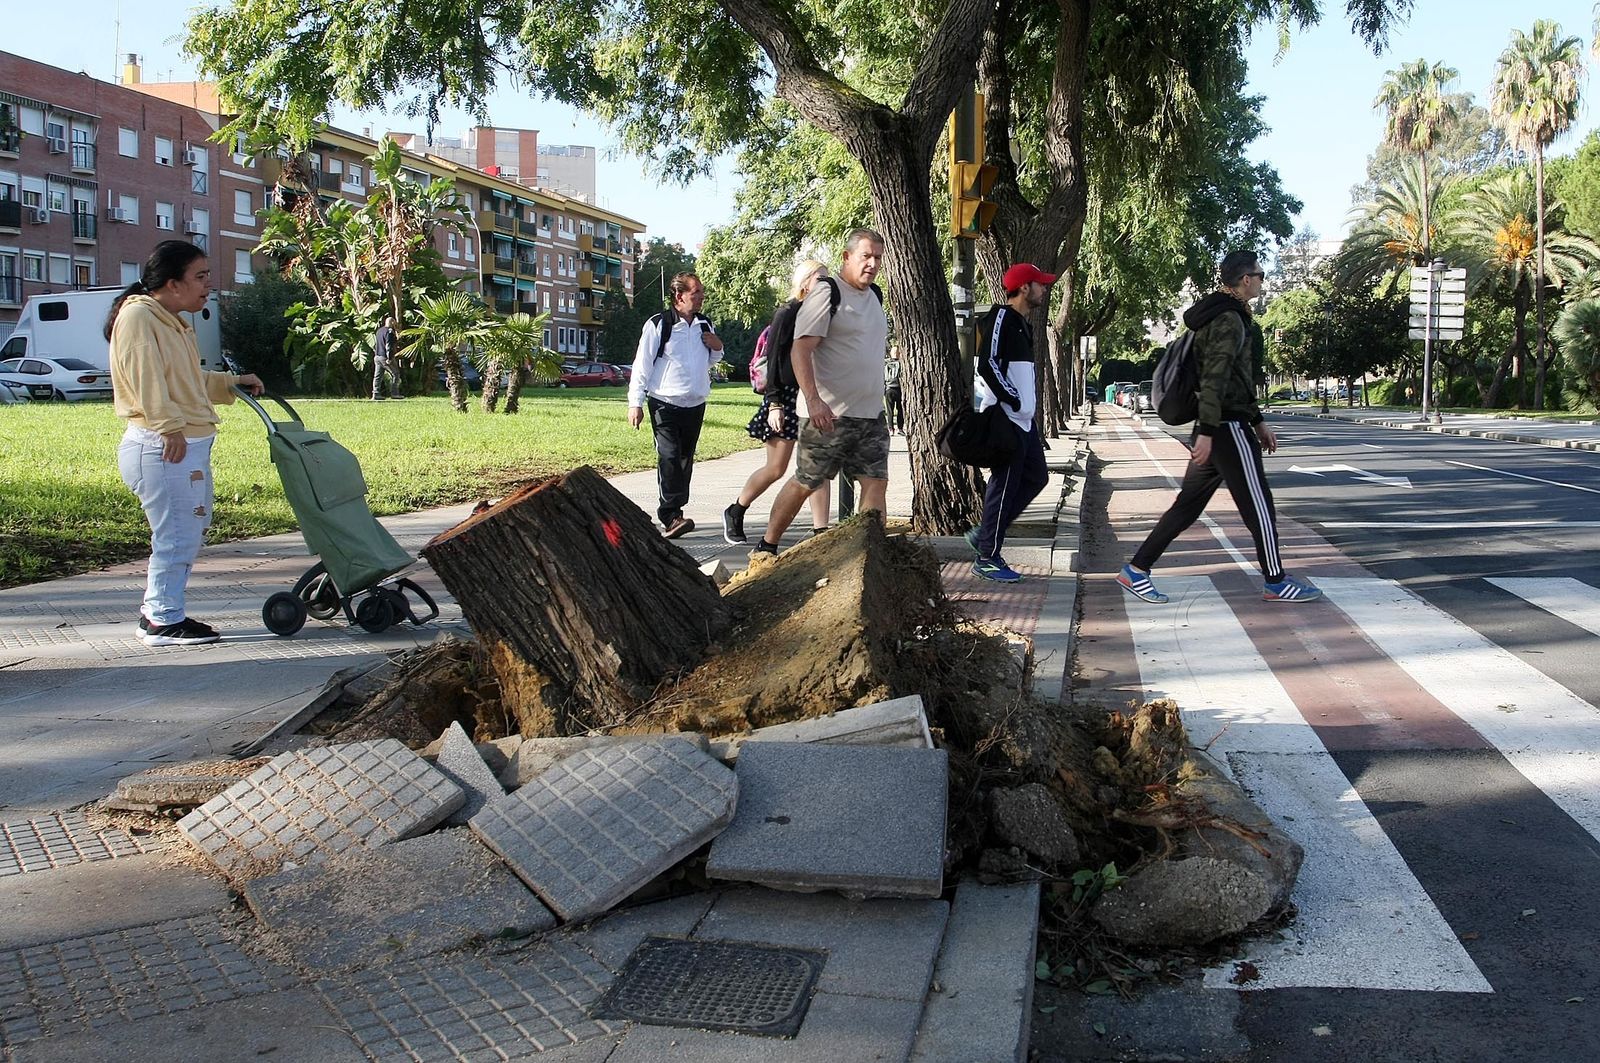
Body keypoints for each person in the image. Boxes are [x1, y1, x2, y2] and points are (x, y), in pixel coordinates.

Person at [1117, 250, 1321, 605]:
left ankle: (1136, 571)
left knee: (1187, 506)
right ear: (1245, 279)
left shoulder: (1223, 315)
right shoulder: (1228, 319)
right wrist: (1211, 431)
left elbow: (1236, 379)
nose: (1261, 281)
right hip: (1226, 428)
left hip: (1221, 426)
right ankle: (1276, 580)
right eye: (1260, 275)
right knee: (1259, 504)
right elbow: (1215, 379)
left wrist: (1257, 421)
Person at [108, 240, 264, 646]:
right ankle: (161, 620)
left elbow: (186, 380)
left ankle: (160, 613)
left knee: (186, 532)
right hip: (164, 446)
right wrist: (168, 427)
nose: (208, 284)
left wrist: (232, 382)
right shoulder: (140, 318)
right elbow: (146, 380)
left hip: (181, 444)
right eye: (200, 276)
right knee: (177, 535)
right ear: (173, 283)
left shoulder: (169, 319)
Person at [751, 228, 889, 556]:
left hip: (870, 413)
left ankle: (871, 556)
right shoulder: (827, 292)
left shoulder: (875, 296)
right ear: (846, 257)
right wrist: (813, 400)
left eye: (877, 258)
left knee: (875, 482)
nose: (872, 264)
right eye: (865, 256)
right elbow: (801, 350)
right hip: (828, 415)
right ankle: (766, 545)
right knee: (806, 482)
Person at [722, 260, 832, 545]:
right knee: (776, 468)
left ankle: (821, 530)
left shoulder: (825, 315)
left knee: (816, 466)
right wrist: (773, 403)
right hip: (783, 395)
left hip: (814, 396)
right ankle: (736, 509)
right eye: (820, 279)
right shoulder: (787, 313)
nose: (825, 284)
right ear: (805, 282)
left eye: (828, 279)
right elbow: (771, 362)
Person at [967, 263, 1054, 583]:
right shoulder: (1001, 318)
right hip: (1006, 418)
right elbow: (987, 364)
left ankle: (986, 534)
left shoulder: (1024, 324)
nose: (1044, 290)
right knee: (1003, 487)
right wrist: (1013, 400)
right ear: (1023, 287)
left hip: (1024, 422)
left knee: (1037, 477)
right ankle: (987, 557)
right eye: (1039, 284)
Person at [627, 272, 723, 538]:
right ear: (679, 296)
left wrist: (717, 347)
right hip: (664, 403)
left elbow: (711, 358)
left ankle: (677, 511)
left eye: (702, 292)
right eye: (696, 293)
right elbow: (642, 366)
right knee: (668, 457)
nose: (702, 297)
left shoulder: (705, 324)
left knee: (684, 460)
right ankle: (670, 516)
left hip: (695, 403)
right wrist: (635, 403)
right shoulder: (659, 324)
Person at [372, 314, 400, 399]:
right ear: (392, 322)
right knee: (395, 374)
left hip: (377, 356)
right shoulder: (390, 331)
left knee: (377, 376)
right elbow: (389, 345)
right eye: (394, 322)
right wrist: (389, 358)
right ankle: (394, 393)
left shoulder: (379, 331)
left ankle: (375, 394)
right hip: (385, 357)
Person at [883, 345, 904, 434]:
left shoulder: (886, 364)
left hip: (888, 389)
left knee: (890, 410)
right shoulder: (902, 363)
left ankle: (891, 429)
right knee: (900, 409)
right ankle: (900, 428)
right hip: (899, 389)